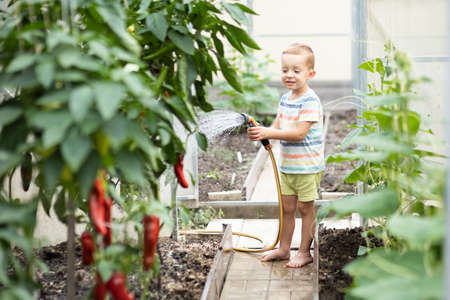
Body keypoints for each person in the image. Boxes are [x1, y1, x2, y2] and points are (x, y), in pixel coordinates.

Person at [247, 43, 324, 268]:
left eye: (296, 71)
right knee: (287, 208)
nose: (289, 75)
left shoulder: (310, 100)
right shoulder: (285, 99)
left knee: (305, 208)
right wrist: (264, 132)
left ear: (311, 74)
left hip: (308, 167)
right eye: (284, 70)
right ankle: (283, 249)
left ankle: (304, 252)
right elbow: (279, 124)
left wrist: (270, 132)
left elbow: (300, 133)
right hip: (288, 166)